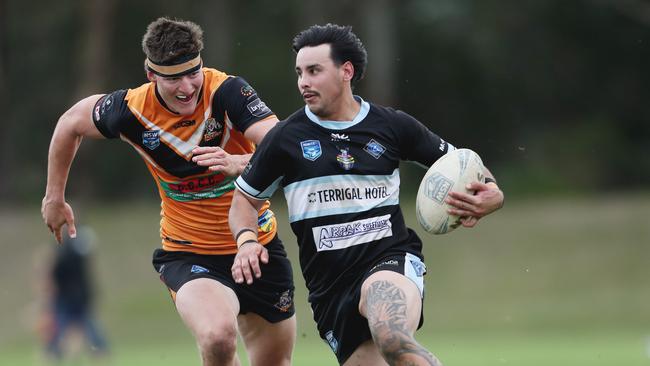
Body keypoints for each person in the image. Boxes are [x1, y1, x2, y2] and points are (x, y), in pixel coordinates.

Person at [229, 24, 505, 366]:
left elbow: (462, 164)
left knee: (392, 337)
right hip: (329, 289)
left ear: (346, 71)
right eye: (300, 72)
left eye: (314, 71)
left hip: (388, 259)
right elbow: (244, 201)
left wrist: (493, 193)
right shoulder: (285, 138)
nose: (304, 82)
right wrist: (246, 241)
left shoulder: (391, 125)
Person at [41, 17, 296, 366]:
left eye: (193, 73)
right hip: (189, 255)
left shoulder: (227, 91)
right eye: (174, 77)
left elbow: (281, 142)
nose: (188, 87)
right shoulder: (130, 110)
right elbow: (70, 123)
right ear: (151, 75)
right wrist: (54, 197)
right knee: (217, 338)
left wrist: (239, 162)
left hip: (257, 244)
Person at [43, 226, 109, 360]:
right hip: (69, 299)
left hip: (76, 299)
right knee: (67, 325)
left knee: (86, 326)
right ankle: (53, 351)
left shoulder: (68, 257)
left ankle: (53, 351)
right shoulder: (68, 258)